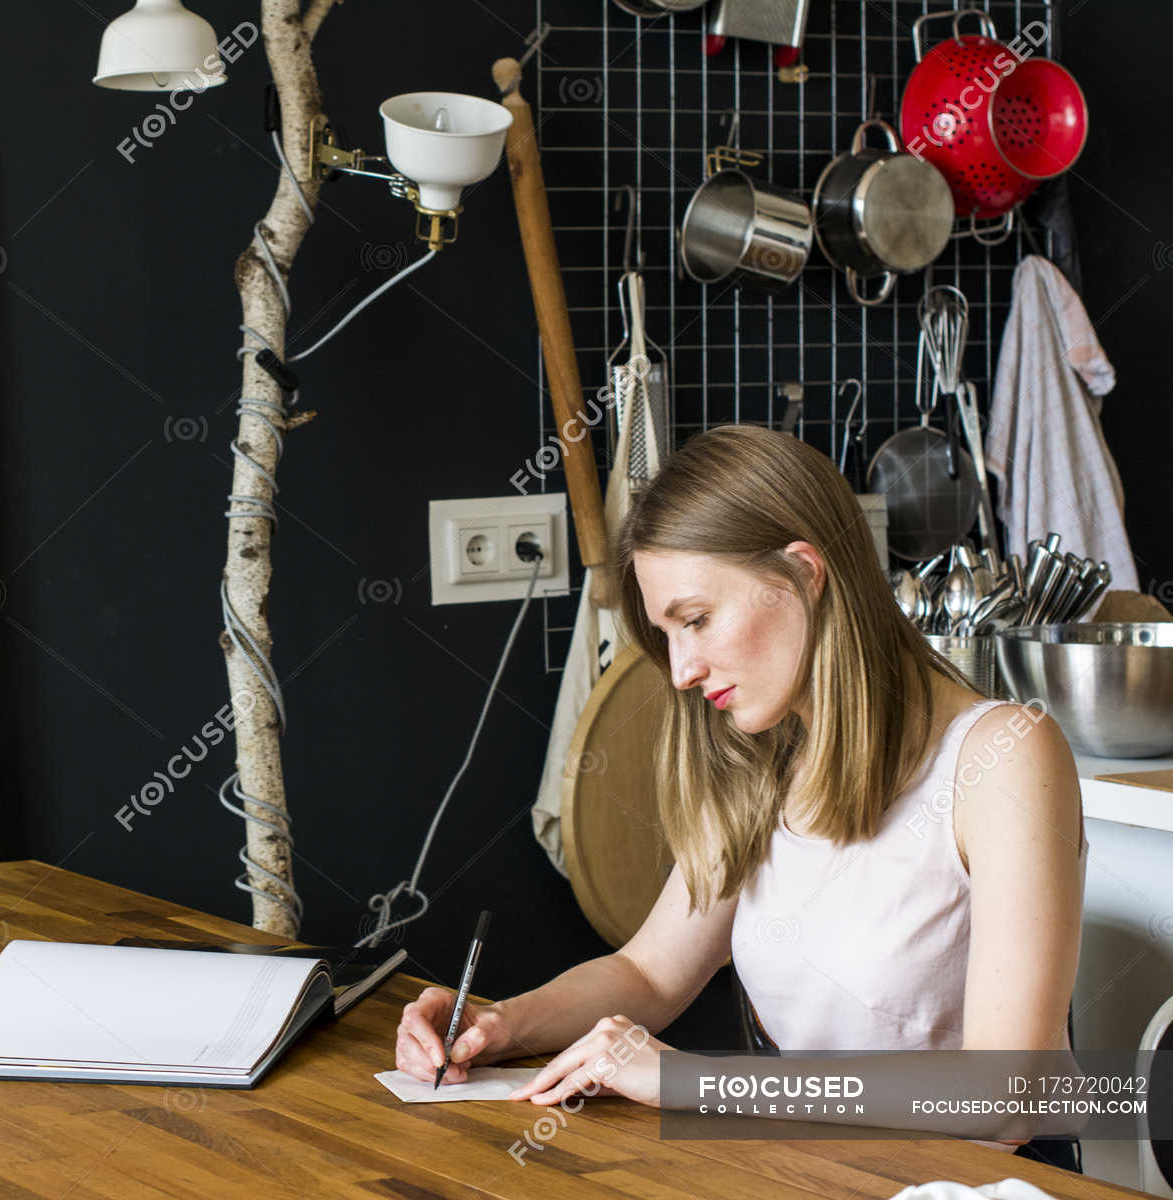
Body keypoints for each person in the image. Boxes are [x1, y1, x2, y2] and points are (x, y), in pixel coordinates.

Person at [394, 426, 1086, 1164]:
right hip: (817, 1169)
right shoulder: (763, 754)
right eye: (667, 635)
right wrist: (500, 1026)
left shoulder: (1005, 755)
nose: (683, 670)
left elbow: (1008, 1097)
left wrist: (698, 1083)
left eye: (696, 620)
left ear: (802, 573)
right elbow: (649, 974)